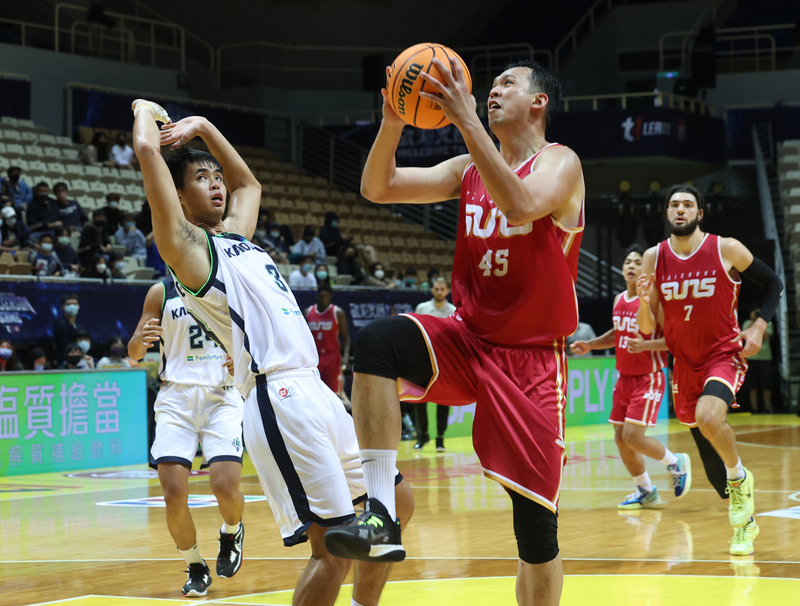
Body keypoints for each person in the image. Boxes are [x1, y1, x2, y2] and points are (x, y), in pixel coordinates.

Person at [131, 99, 413, 606]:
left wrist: (206, 127)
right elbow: (147, 148)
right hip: (276, 394)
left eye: (216, 176)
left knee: (395, 507)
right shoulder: (187, 252)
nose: (217, 183)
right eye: (201, 178)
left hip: (317, 390)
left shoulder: (237, 238)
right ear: (177, 194)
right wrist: (145, 108)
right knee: (332, 548)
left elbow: (250, 186)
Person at [323, 59, 583, 606]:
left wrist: (465, 120)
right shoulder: (468, 167)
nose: (492, 91)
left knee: (535, 533)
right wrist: (394, 120)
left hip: (532, 360)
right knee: (376, 343)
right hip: (467, 341)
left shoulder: (561, 163)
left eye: (507, 84)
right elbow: (378, 187)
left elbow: (521, 202)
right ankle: (379, 509)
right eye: (489, 87)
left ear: (539, 102)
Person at [636, 184, 784, 557]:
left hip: (722, 354)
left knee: (708, 416)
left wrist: (758, 326)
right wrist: (642, 299)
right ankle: (743, 519)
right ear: (667, 214)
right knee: (709, 459)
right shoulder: (654, 257)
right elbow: (645, 326)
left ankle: (740, 477)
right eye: (674, 205)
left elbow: (773, 283)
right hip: (683, 363)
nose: (680, 210)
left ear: (700, 213)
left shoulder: (725, 248)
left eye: (687, 204)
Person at [128, 277, 246, 596]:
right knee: (173, 493)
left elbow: (257, 339)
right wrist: (141, 339)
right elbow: (135, 352)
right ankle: (195, 565)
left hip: (221, 395)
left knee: (224, 484)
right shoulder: (161, 291)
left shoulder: (229, 287)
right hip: (175, 399)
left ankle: (232, 531)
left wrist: (246, 355)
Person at [570, 245, 691, 508]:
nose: (632, 266)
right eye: (628, 262)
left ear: (646, 270)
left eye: (638, 262)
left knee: (633, 437)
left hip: (649, 376)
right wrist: (592, 345)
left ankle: (675, 461)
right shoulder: (619, 299)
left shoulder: (656, 301)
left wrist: (646, 346)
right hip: (623, 377)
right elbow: (617, 334)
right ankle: (646, 490)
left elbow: (676, 340)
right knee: (620, 438)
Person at [412, 277, 456, 452]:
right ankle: (422, 435)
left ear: (447, 291)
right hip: (423, 361)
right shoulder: (422, 308)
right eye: (436, 289)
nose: (439, 292)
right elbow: (414, 334)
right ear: (432, 290)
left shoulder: (453, 310)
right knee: (420, 399)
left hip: (445, 363)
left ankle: (440, 438)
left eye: (442, 289)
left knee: (443, 401)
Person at [305, 283, 351, 395]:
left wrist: (345, 357)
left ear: (330, 296)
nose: (323, 298)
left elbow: (346, 338)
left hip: (332, 356)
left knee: (333, 393)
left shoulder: (338, 312)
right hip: (314, 356)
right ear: (317, 296)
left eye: (326, 296)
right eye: (321, 296)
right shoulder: (308, 312)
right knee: (313, 391)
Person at [741, 308, 776, 414]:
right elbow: (745, 336)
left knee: (766, 385)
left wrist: (759, 323)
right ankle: (754, 409)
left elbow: (765, 336)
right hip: (751, 358)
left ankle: (767, 408)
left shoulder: (767, 323)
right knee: (752, 386)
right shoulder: (747, 323)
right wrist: (753, 321)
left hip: (764, 358)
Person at [54, 294, 82, 366]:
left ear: (78, 306)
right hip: (66, 363)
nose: (72, 306)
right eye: (69, 304)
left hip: (77, 361)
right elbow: (65, 346)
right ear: (63, 307)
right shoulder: (61, 324)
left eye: (74, 304)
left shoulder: (77, 326)